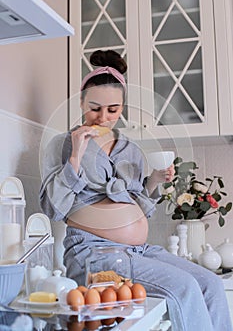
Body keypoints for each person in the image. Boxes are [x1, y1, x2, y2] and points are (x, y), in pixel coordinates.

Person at [39, 50, 232, 331]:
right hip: (94, 254)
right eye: (95, 107)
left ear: (122, 108)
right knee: (187, 288)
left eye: (113, 110)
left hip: (139, 250)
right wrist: (76, 157)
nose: (103, 118)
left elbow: (136, 207)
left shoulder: (130, 148)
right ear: (81, 102)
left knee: (212, 283)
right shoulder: (63, 143)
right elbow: (52, 209)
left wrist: (154, 180)